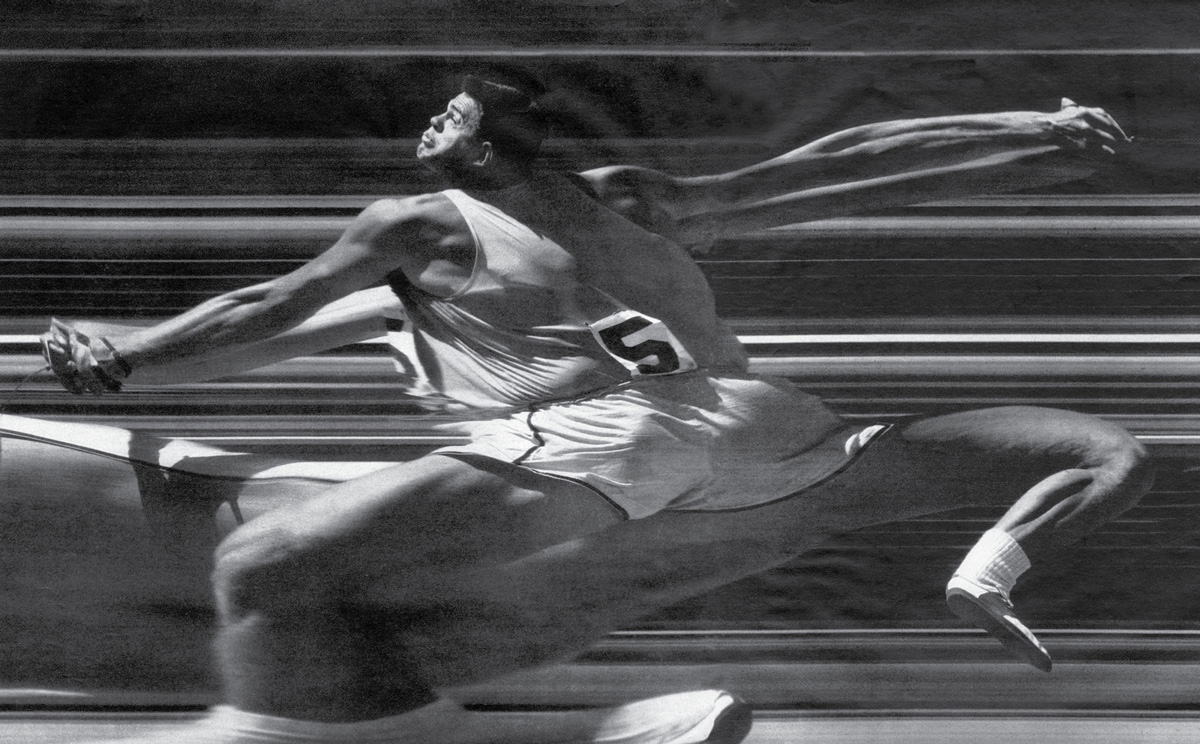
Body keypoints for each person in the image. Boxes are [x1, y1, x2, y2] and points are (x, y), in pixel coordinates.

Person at [41, 74, 1148, 744]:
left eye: (449, 116)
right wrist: (1024, 129)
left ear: (481, 146)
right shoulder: (619, 199)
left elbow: (265, 307)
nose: (431, 125)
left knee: (270, 571)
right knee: (390, 593)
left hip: (621, 441)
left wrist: (124, 350)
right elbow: (828, 164)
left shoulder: (417, 227)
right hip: (756, 440)